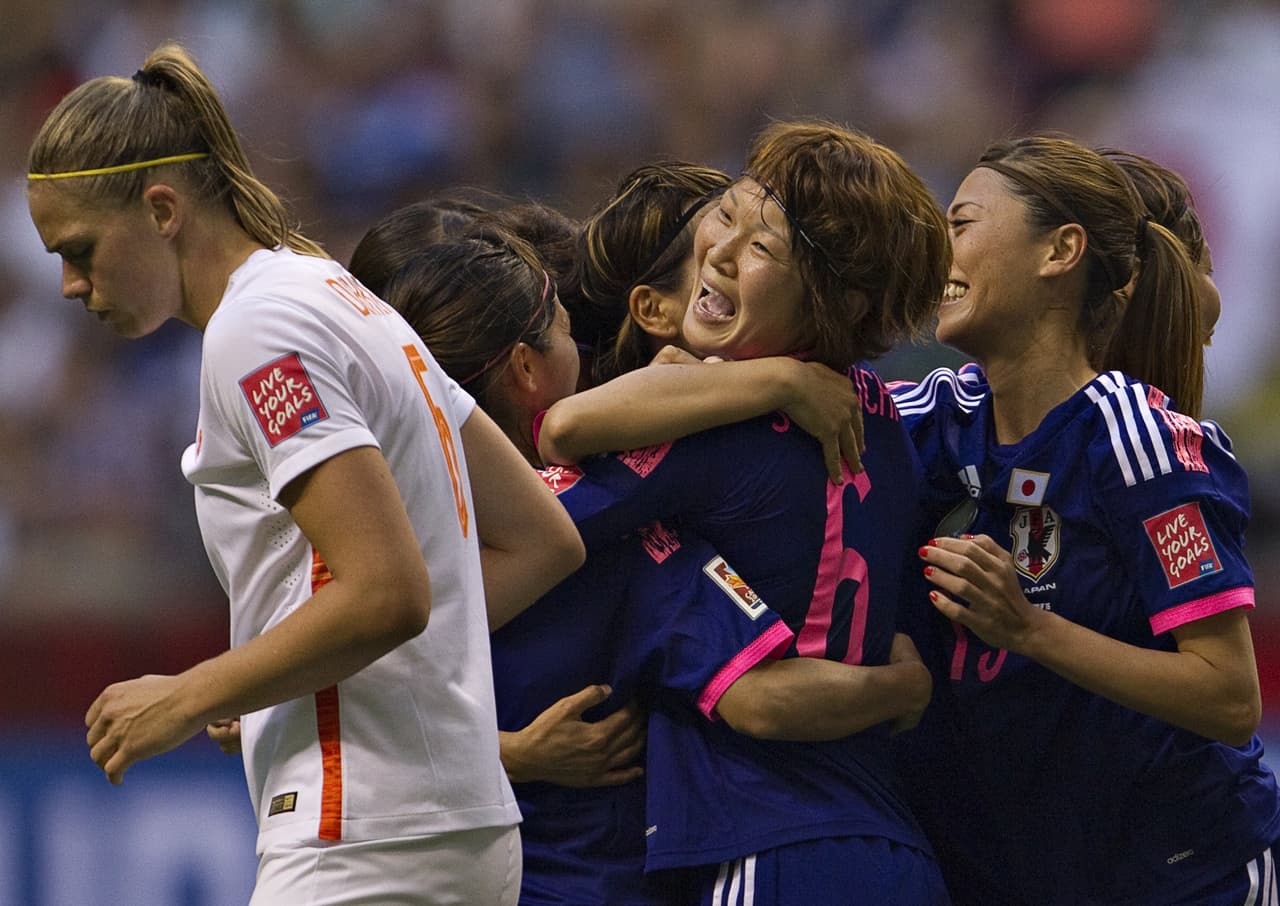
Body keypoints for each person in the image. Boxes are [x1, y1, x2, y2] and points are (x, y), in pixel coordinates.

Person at [26, 44, 585, 906]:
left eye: (80, 249)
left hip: (359, 832)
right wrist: (277, 678)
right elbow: (541, 541)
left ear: (162, 209)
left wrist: (187, 694)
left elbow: (387, 593)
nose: (69, 284)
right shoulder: (337, 294)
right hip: (457, 830)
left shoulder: (258, 332)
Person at [358, 198, 932, 904]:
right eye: (565, 330)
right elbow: (760, 698)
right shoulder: (630, 532)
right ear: (527, 368)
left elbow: (336, 711)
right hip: (612, 877)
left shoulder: (377, 542)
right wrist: (905, 686)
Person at [534, 122, 953, 904]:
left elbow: (546, 483)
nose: (721, 251)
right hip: (891, 844)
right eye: (725, 215)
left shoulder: (721, 432)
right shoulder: (885, 424)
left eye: (763, 247)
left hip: (770, 838)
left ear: (839, 301)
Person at [889, 135, 1280, 905]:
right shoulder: (945, 413)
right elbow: (818, 412)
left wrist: (1029, 629)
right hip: (1029, 871)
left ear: (1060, 251)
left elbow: (1232, 698)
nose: (941, 250)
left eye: (962, 223)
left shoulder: (1139, 440)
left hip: (1186, 873)